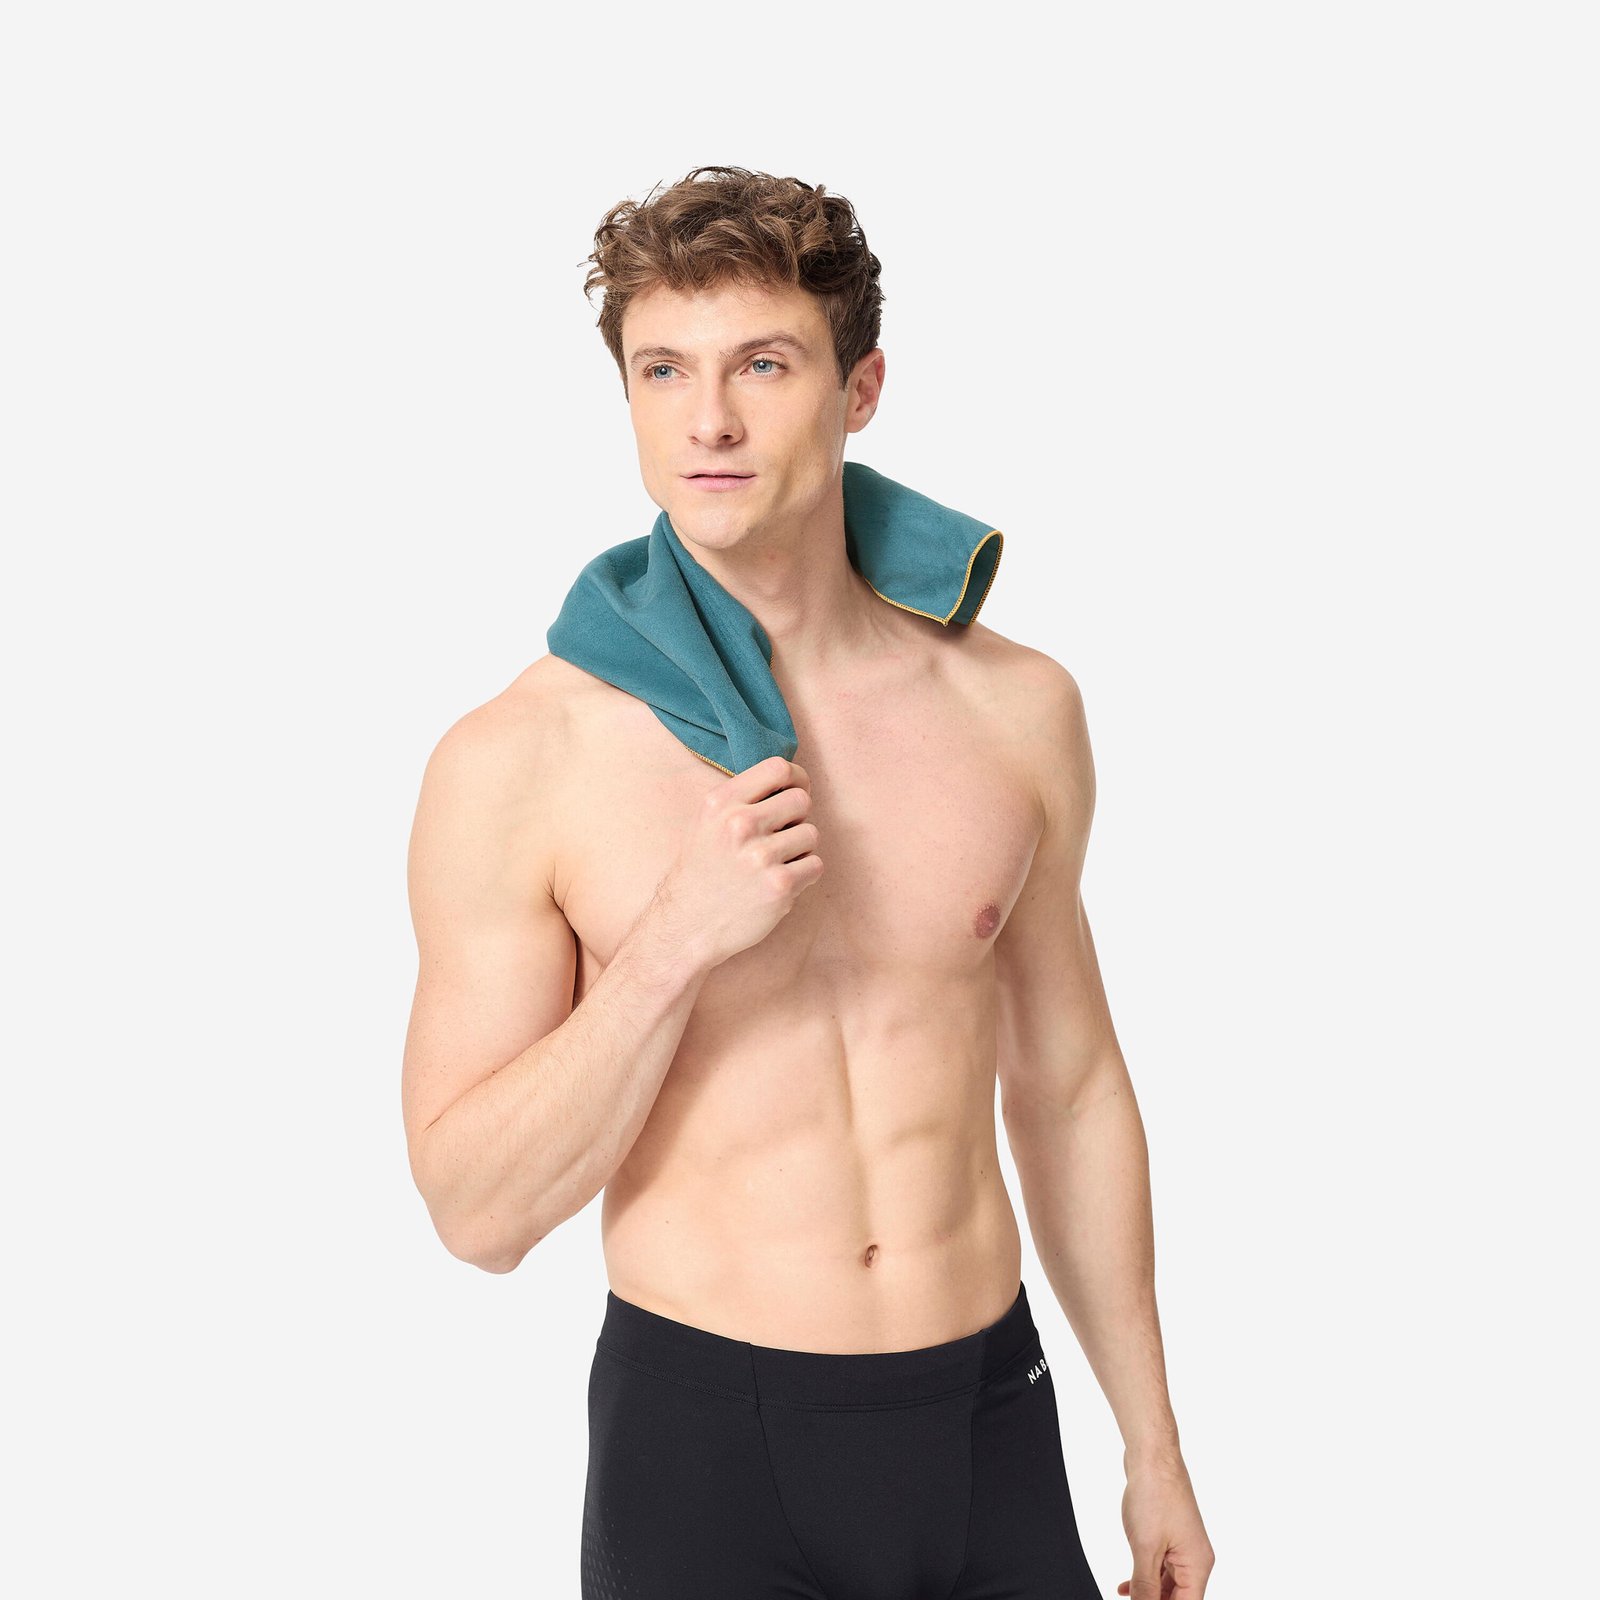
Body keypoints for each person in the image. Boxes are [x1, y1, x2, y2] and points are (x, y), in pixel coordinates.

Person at [400, 165, 1215, 1600]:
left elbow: (1072, 1086)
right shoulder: (522, 758)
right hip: (709, 1450)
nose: (707, 421)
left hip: (990, 1416)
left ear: (862, 388)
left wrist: (1152, 1441)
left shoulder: (1016, 710)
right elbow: (476, 1213)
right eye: (664, 370)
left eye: (762, 366)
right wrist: (669, 946)